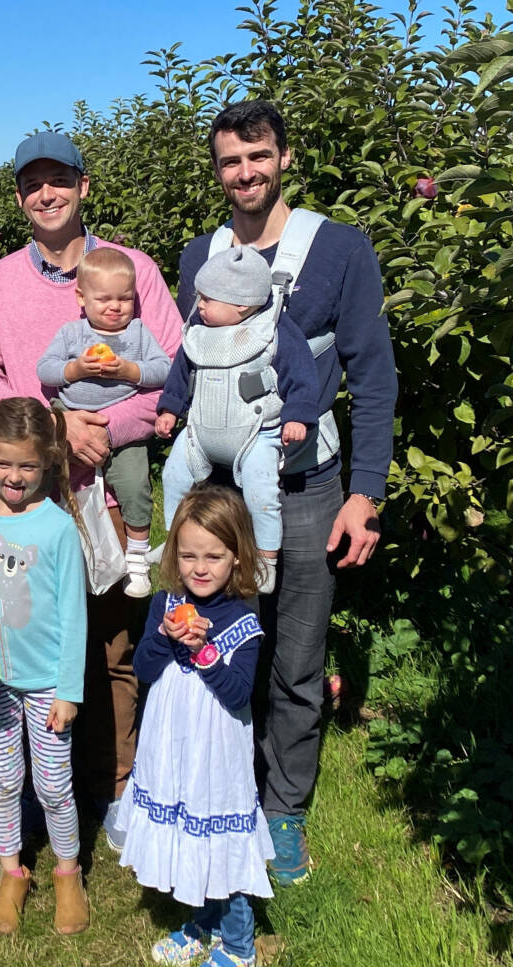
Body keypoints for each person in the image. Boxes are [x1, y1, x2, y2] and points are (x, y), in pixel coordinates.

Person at [178, 100, 396, 882]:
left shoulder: (337, 248)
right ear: (218, 171)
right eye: (231, 161)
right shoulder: (196, 255)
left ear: (285, 157)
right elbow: (192, 367)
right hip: (219, 492)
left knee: (298, 656)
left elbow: (372, 373)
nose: (246, 172)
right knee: (221, 643)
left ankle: (285, 808)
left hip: (307, 487)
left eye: (258, 155)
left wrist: (364, 492)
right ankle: (223, 786)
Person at [0, 131, 183, 814]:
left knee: (115, 642)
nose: (46, 193)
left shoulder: (131, 269)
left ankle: (118, 786)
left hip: (111, 491)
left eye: (60, 179)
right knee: (26, 639)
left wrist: (108, 431)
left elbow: (171, 371)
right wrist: (55, 430)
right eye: (33, 184)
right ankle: (29, 794)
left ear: (85, 187)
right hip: (29, 500)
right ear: (21, 197)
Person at [106, 485, 274, 967]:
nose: (200, 567)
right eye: (188, 554)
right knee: (186, 827)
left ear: (237, 556)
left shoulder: (241, 619)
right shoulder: (166, 602)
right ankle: (205, 921)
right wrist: (163, 636)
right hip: (172, 740)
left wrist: (204, 653)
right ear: (174, 555)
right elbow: (146, 670)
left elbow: (239, 692)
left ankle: (240, 946)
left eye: (214, 556)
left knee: (219, 838)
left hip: (215, 749)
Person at [0, 397, 90, 936]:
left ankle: (67, 872)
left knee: (54, 787)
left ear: (48, 463)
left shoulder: (57, 528)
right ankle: (12, 873)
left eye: (28, 466)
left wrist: (69, 690)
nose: (15, 477)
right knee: (4, 780)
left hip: (48, 685)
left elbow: (75, 616)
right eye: (4, 463)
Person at [156, 244, 318, 595]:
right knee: (173, 477)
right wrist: (170, 408)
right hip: (200, 431)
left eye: (208, 299)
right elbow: (180, 372)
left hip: (257, 433)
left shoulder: (274, 331)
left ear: (242, 303)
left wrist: (298, 416)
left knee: (262, 490)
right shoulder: (199, 329)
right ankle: (173, 543)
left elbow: (302, 376)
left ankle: (266, 560)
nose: (199, 304)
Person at [36, 246, 172, 597]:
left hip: (123, 431)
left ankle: (138, 561)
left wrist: (130, 370)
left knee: (135, 486)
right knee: (45, 479)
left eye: (125, 299)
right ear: (81, 297)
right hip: (67, 413)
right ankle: (42, 545)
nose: (115, 307)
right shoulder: (72, 334)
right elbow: (44, 369)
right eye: (104, 299)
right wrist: (75, 368)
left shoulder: (139, 333)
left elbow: (165, 370)